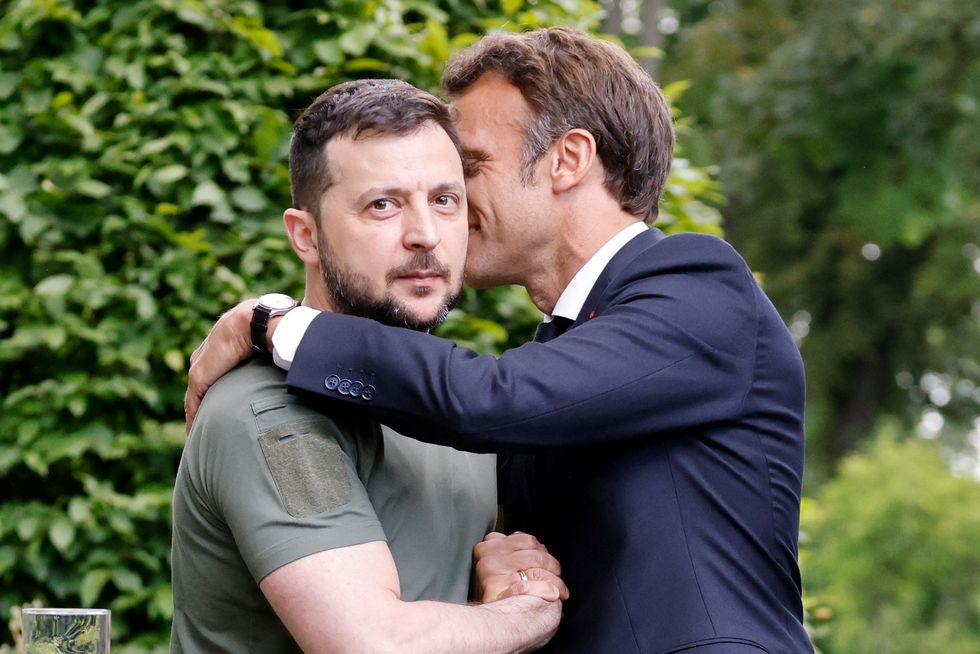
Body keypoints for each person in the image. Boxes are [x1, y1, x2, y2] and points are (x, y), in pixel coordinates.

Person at [186, 28, 814, 654]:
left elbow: (492, 398)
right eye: (385, 204)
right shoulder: (565, 353)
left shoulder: (699, 286)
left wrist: (272, 323)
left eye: (468, 171)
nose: (437, 223)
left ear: (566, 160)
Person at [171, 79, 566, 654]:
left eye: (444, 200)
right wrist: (527, 612)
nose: (425, 236)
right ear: (305, 235)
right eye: (383, 205)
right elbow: (374, 646)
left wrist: (507, 572)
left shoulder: (449, 399)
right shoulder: (273, 414)